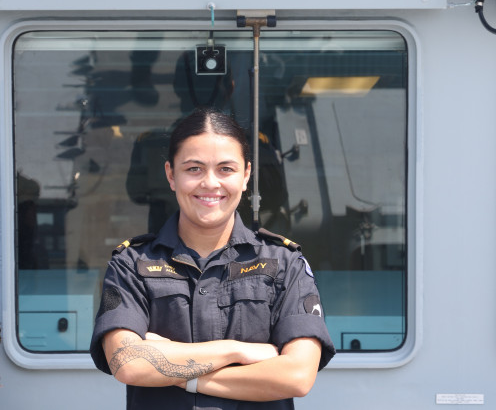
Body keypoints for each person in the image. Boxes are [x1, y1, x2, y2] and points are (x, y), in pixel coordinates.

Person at [90, 107, 335, 409]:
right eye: (193, 169)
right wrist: (236, 352)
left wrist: (177, 372)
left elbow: (296, 376)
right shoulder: (131, 264)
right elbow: (127, 362)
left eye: (225, 169)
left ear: (246, 175)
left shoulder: (284, 264)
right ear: (171, 175)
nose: (210, 183)